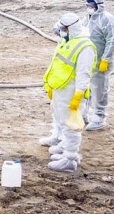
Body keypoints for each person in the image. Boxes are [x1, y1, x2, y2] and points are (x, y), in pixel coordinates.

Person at [41, 12, 96, 173]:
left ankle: (70, 159)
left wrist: (78, 95)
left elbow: (84, 73)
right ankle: (65, 148)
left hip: (72, 91)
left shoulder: (85, 47)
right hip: (61, 89)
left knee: (71, 124)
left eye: (63, 29)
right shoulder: (67, 41)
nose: (60, 31)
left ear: (71, 29)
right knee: (62, 120)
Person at [83, 0, 114, 131]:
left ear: (98, 4)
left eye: (91, 4)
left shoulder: (107, 19)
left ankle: (99, 117)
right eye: (87, 4)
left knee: (100, 90)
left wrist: (106, 59)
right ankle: (84, 113)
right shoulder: (87, 18)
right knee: (86, 88)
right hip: (87, 61)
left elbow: (112, 41)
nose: (89, 7)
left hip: (100, 62)